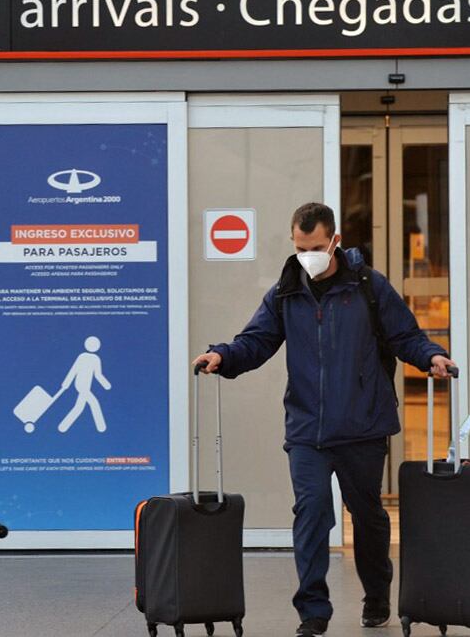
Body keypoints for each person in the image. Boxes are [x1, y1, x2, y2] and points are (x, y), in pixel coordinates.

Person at [193, 202, 456, 637]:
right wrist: (223, 355)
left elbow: (404, 334)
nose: (307, 255)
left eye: (315, 246)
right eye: (300, 247)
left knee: (368, 516)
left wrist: (432, 356)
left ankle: (375, 596)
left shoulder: (369, 286)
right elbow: (256, 340)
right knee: (312, 512)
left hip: (362, 426)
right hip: (307, 430)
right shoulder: (285, 291)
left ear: (335, 241)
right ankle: (313, 612)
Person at [56, 336, 112, 433]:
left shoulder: (96, 359)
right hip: (81, 385)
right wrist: (66, 383)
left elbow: (98, 374)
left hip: (85, 386)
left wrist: (106, 384)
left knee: (82, 406)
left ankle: (63, 426)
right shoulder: (82, 357)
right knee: (90, 404)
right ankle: (100, 427)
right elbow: (74, 370)